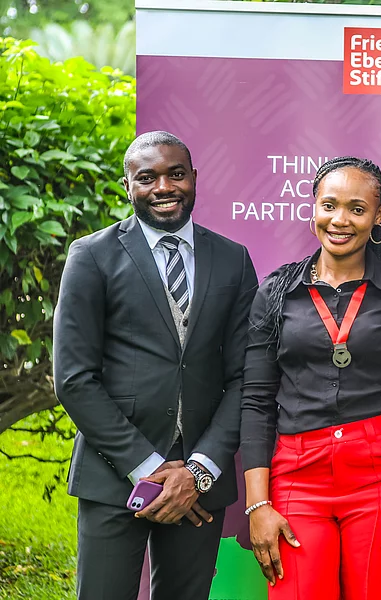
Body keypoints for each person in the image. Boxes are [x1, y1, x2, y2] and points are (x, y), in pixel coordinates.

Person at [53, 130, 258, 600]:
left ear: (194, 180)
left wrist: (198, 471)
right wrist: (147, 468)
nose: (164, 187)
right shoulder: (92, 257)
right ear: (128, 186)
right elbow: (73, 379)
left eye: (176, 174)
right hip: (114, 475)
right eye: (147, 177)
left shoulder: (232, 259)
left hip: (199, 484)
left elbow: (244, 376)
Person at [240, 157, 381, 600]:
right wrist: (258, 504)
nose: (340, 220)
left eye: (357, 209)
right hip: (297, 474)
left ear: (377, 217)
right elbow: (257, 401)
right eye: (329, 205)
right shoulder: (277, 292)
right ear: (313, 209)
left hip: (380, 473)